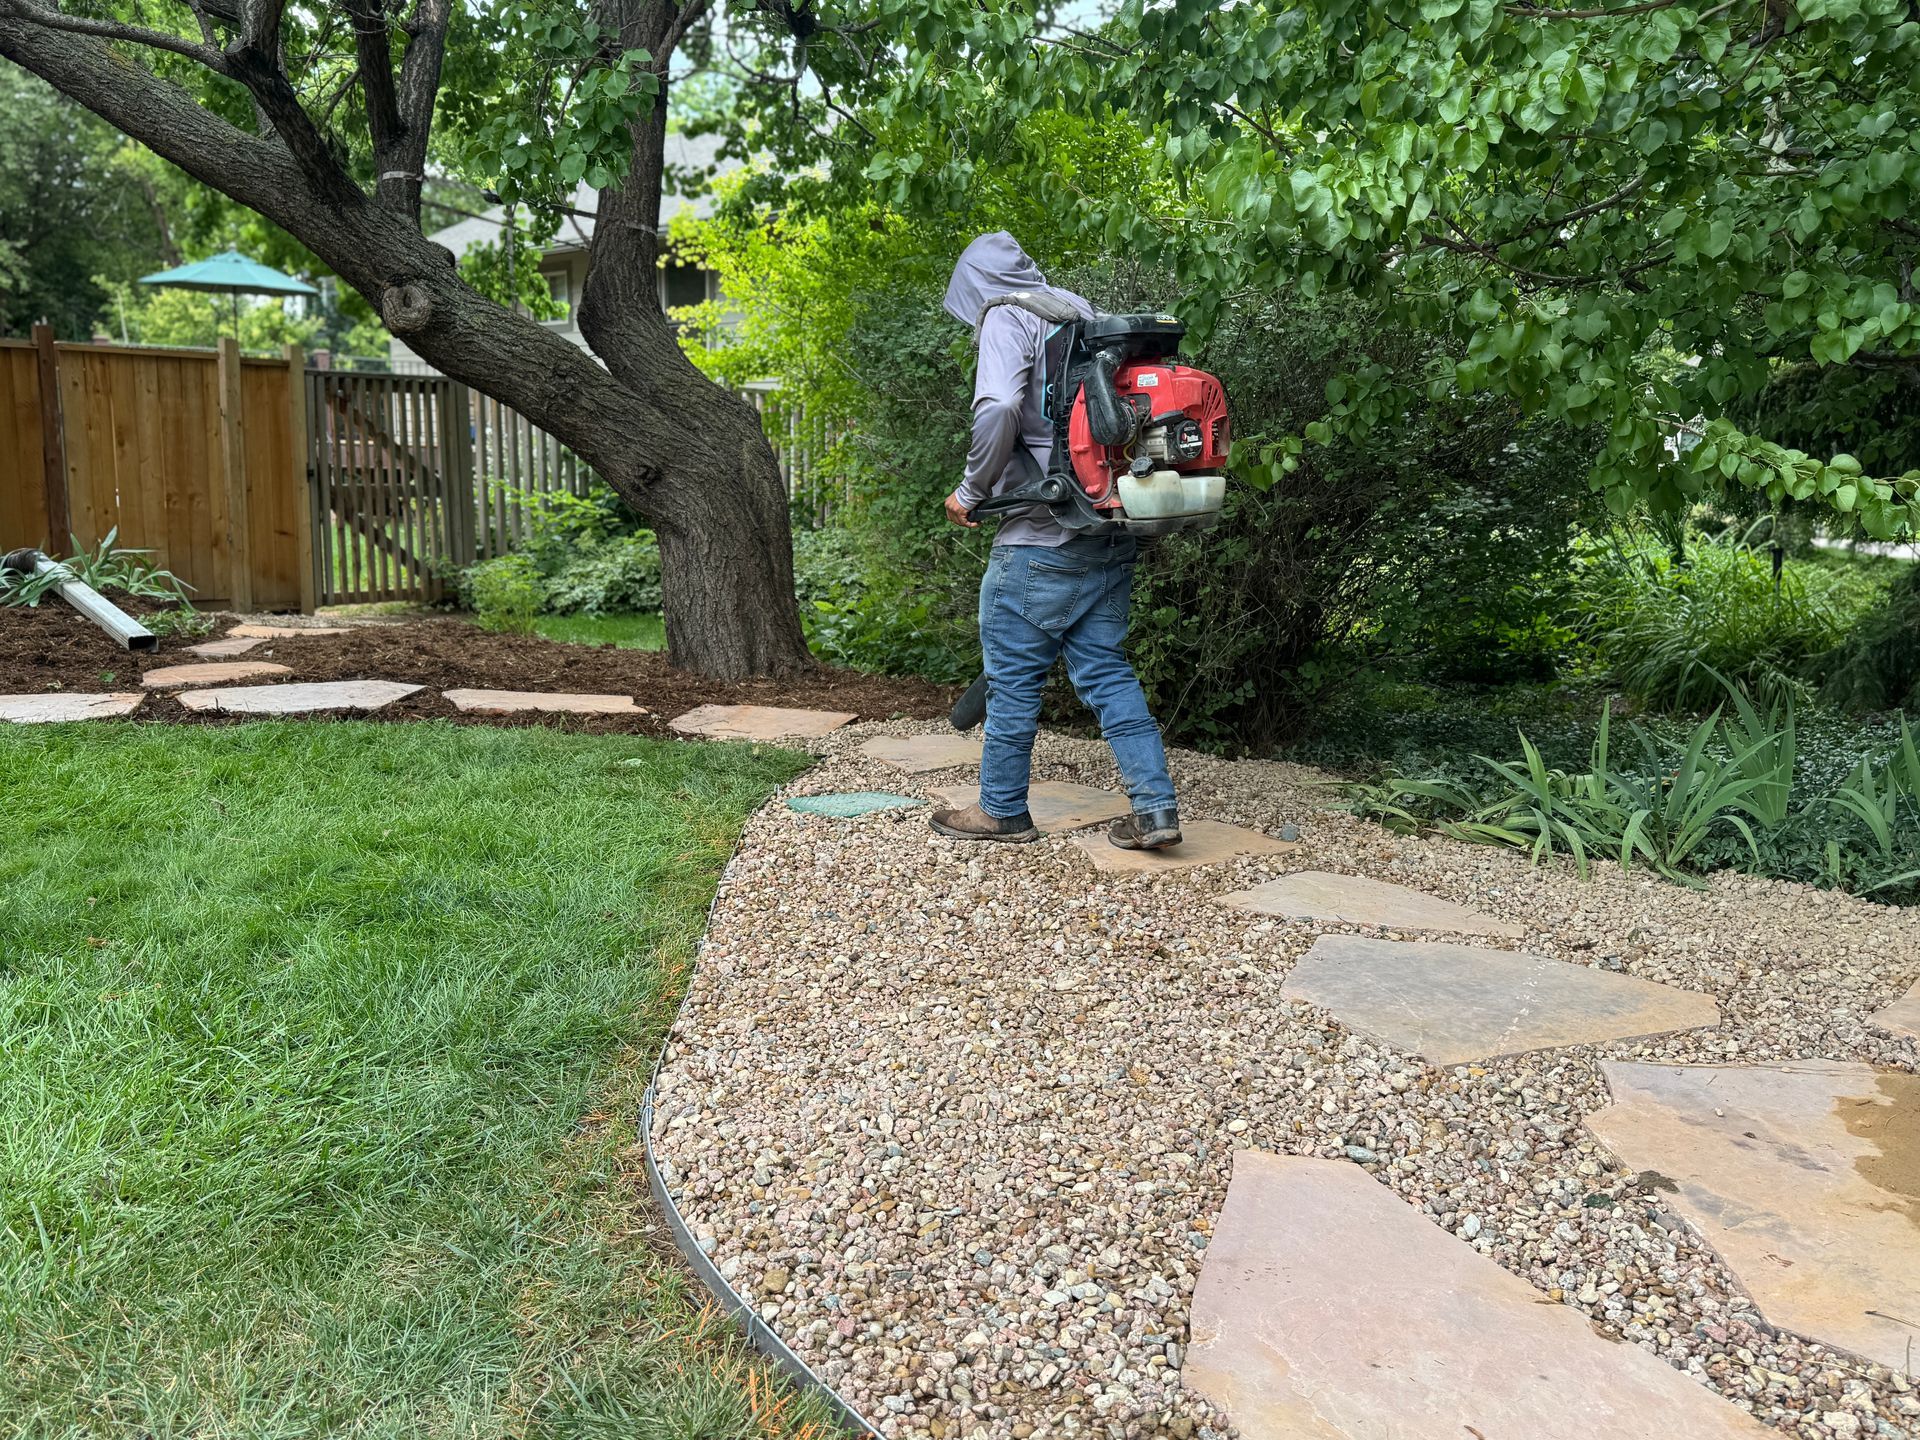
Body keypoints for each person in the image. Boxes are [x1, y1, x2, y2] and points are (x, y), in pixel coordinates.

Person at [928, 232, 1183, 850]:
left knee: (1013, 679)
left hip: (1038, 535)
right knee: (1108, 672)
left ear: (974, 286)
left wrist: (969, 490)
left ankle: (1002, 811)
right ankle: (1156, 810)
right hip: (1109, 521)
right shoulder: (1078, 312)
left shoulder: (1006, 315)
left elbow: (997, 408)